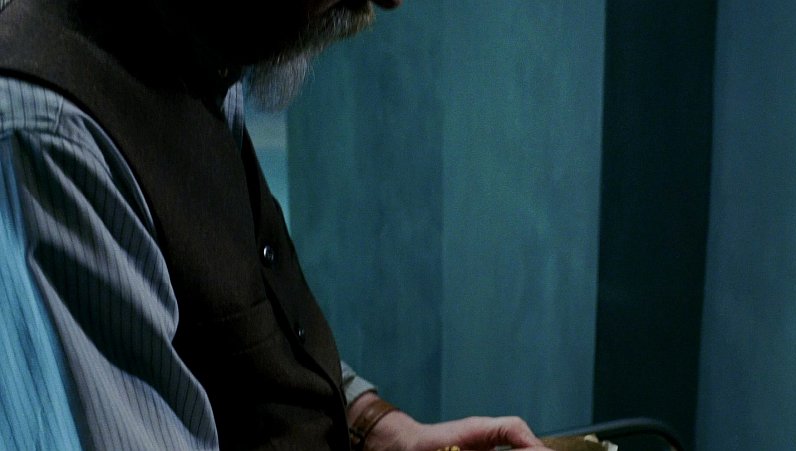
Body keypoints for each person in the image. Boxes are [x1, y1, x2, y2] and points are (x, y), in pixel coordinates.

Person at [0, 0, 553, 449]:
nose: (390, 1)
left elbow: (227, 327)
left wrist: (373, 425)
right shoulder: (50, 132)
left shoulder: (197, 51)